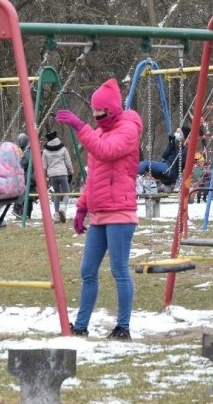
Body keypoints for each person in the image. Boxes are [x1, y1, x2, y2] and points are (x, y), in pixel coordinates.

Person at [55, 77, 143, 340]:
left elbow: (105, 151)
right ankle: (80, 326)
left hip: (120, 211)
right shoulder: (101, 132)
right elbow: (95, 176)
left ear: (113, 110)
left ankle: (123, 327)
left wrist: (80, 126)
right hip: (100, 213)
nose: (95, 115)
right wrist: (82, 207)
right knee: (87, 271)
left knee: (119, 269)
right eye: (92, 111)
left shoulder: (127, 131)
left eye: (100, 111)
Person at [42, 130, 73, 223]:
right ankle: (63, 208)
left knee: (56, 194)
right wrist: (71, 171)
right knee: (66, 192)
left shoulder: (45, 150)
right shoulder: (62, 148)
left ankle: (56, 216)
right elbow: (68, 161)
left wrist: (44, 177)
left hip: (52, 175)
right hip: (62, 173)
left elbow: (44, 165)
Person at [13, 133, 37, 220]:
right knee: (28, 195)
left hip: (28, 177)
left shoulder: (27, 152)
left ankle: (20, 210)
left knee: (24, 193)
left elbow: (23, 164)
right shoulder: (28, 152)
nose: (19, 142)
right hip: (30, 177)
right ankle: (26, 212)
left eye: (21, 141)